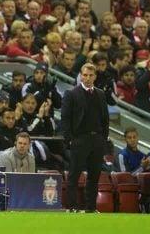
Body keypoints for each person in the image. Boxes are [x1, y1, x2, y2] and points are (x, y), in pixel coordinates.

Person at [62, 63, 109, 213]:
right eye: (85, 75)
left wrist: (103, 138)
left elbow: (105, 118)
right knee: (74, 175)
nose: (87, 78)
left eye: (90, 75)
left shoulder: (101, 94)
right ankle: (72, 207)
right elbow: (65, 118)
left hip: (97, 140)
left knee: (94, 176)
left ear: (95, 76)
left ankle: (91, 208)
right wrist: (69, 138)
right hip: (79, 139)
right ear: (81, 75)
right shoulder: (72, 93)